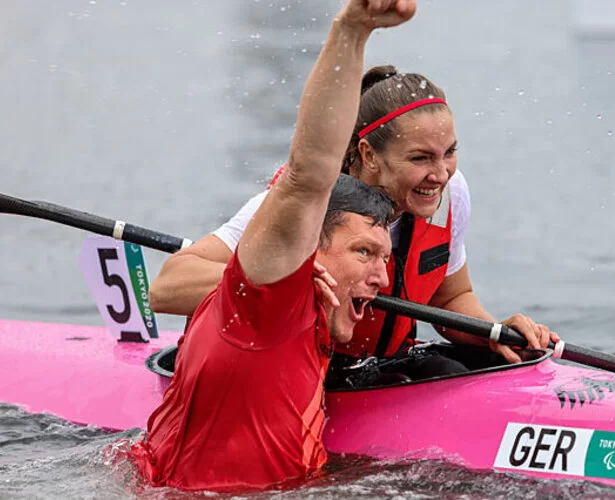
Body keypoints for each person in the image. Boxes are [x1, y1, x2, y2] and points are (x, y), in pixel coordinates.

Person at [149, 26, 558, 378]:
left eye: (449, 152)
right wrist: (286, 284)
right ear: (368, 156)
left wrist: (497, 335)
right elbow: (166, 289)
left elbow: (449, 300)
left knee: (453, 368)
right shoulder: (304, 204)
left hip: (375, 369)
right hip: (282, 376)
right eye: (420, 158)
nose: (441, 174)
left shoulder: (452, 192)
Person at [128, 0, 413, 491]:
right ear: (309, 249)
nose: (383, 278)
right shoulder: (268, 302)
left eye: (384, 258)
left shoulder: (313, 323)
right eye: (364, 252)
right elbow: (308, 175)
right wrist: (353, 31)